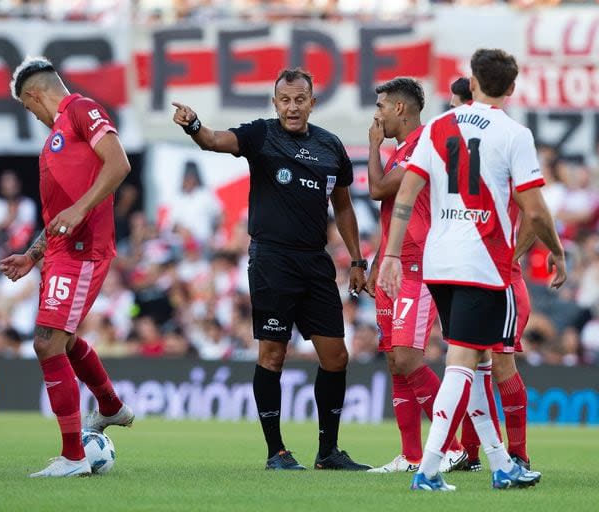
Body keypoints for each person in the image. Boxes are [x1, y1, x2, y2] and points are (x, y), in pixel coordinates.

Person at [378, 48, 566, 491]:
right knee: (465, 362)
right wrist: (556, 250)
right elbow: (535, 211)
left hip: (437, 262)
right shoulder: (514, 133)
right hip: (483, 263)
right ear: (512, 87)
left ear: (473, 82)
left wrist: (389, 254)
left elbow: (405, 194)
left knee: (478, 362)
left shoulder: (438, 127)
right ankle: (427, 471)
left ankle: (502, 464)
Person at [172, 68, 371, 471]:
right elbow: (213, 140)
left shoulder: (331, 146)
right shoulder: (261, 134)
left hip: (315, 262)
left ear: (312, 102)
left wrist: (357, 258)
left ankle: (328, 452)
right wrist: (193, 125)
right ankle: (275, 451)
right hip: (272, 260)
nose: (293, 107)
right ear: (275, 102)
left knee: (336, 357)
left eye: (300, 99)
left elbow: (344, 205)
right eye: (285, 100)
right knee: (273, 354)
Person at [2, 56, 134, 478]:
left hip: (83, 251)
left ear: (34, 94)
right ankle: (110, 406)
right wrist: (32, 255)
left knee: (47, 342)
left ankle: (73, 457)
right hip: (60, 252)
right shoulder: (55, 138)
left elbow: (120, 164)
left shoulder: (80, 110)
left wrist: (80, 209)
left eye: (27, 107)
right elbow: (59, 216)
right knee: (64, 339)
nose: (32, 115)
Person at [364, 77, 466, 474]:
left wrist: (372, 146)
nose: (378, 117)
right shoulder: (400, 151)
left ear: (400, 109)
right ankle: (410, 456)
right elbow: (391, 212)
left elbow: (376, 190)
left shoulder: (423, 145)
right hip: (393, 266)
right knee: (394, 360)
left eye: (381, 109)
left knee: (408, 357)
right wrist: (377, 260)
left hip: (418, 267)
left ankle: (451, 446)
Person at [450, 77, 535, 471]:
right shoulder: (460, 156)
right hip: (468, 275)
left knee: (500, 365)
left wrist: (509, 258)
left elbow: (534, 214)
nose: (451, 113)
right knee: (471, 363)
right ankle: (473, 453)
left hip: (502, 280)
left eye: (456, 105)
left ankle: (517, 454)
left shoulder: (501, 152)